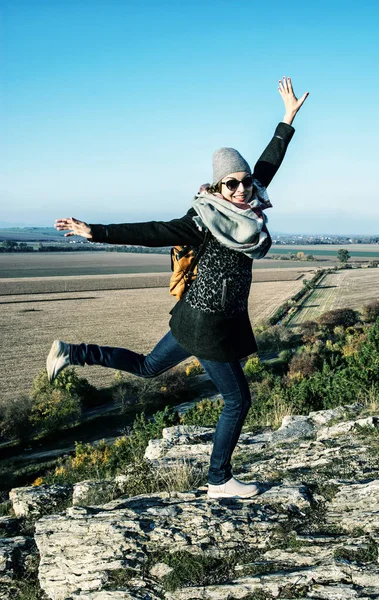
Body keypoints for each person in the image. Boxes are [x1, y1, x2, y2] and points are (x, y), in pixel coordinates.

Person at [47, 76, 308, 499]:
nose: (242, 188)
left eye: (245, 182)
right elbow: (151, 230)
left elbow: (267, 166)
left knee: (149, 367)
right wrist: (93, 231)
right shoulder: (205, 219)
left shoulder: (248, 204)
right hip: (208, 326)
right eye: (232, 184)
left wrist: (287, 120)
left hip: (192, 317)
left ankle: (73, 353)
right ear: (217, 187)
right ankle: (219, 480)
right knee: (237, 401)